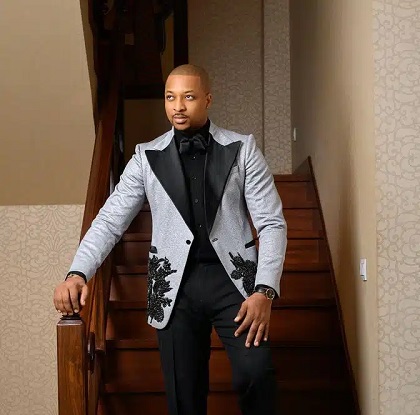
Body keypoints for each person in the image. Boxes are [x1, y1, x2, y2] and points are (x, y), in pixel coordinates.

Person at [54, 64, 287, 415]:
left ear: (208, 99)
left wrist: (264, 291)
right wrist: (77, 272)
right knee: (184, 396)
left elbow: (271, 223)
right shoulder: (145, 157)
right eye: (170, 97)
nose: (178, 106)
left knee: (255, 374)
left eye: (188, 97)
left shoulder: (242, 149)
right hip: (174, 287)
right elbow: (109, 221)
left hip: (234, 283)